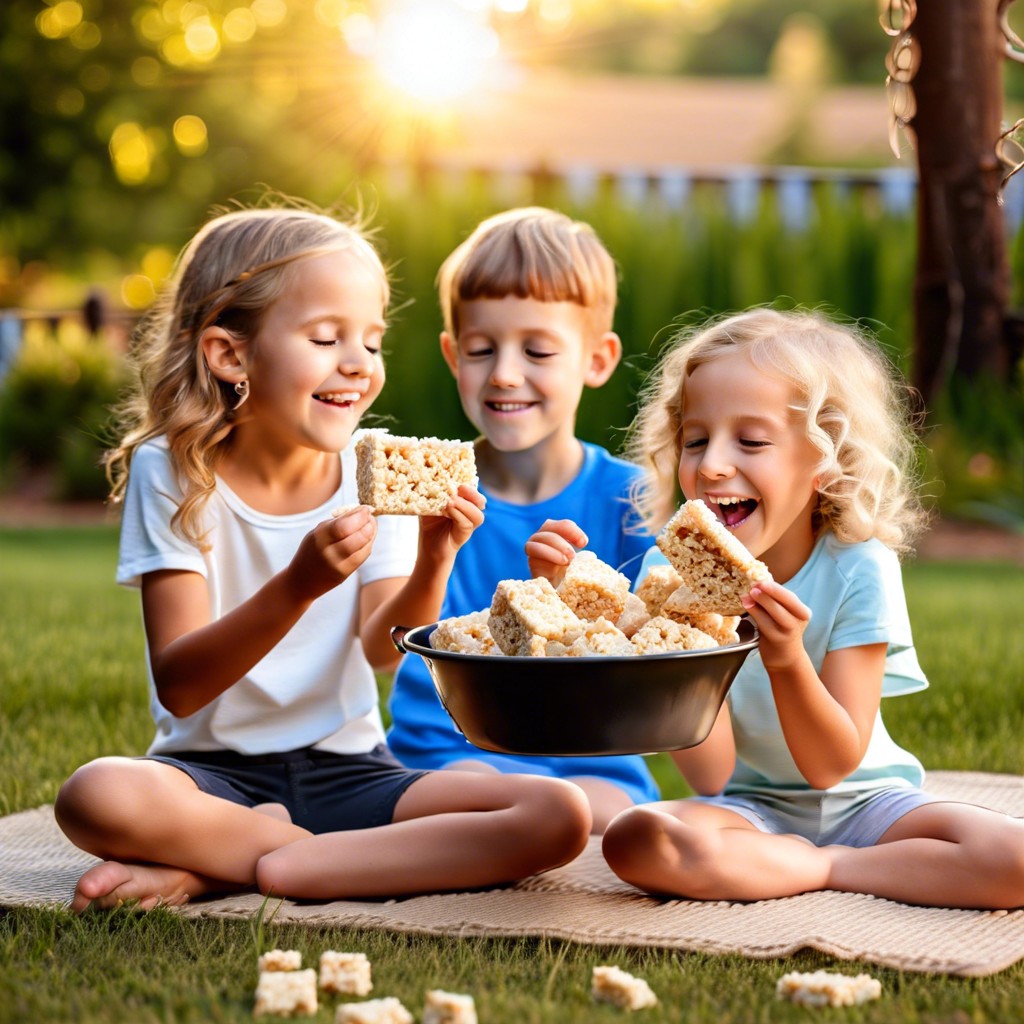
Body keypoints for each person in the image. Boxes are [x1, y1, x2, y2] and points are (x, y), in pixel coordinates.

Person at [54, 204, 592, 913]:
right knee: (95, 796)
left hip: (352, 770)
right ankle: (301, 861)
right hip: (209, 777)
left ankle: (229, 866)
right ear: (230, 355)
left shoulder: (370, 469)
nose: (358, 365)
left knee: (559, 813)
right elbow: (182, 683)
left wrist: (435, 557)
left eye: (371, 342)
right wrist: (299, 584)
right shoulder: (174, 471)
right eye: (327, 337)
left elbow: (383, 649)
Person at [532, 307, 1024, 909]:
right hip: (749, 809)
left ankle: (826, 866)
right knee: (635, 840)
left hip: (868, 802)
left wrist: (787, 658)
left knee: (1014, 858)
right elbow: (710, 776)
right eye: (695, 439)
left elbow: (831, 767)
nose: (712, 463)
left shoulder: (858, 567)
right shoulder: (669, 579)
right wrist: (573, 610)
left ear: (823, 462)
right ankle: (818, 865)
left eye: (751, 441)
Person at [386, 207, 660, 831]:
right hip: (450, 755)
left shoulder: (633, 499)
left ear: (596, 359)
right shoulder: (427, 493)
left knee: (614, 816)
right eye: (483, 350)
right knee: (480, 797)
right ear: (454, 355)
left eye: (537, 350)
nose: (505, 373)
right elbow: (392, 634)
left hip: (594, 758)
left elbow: (647, 643)